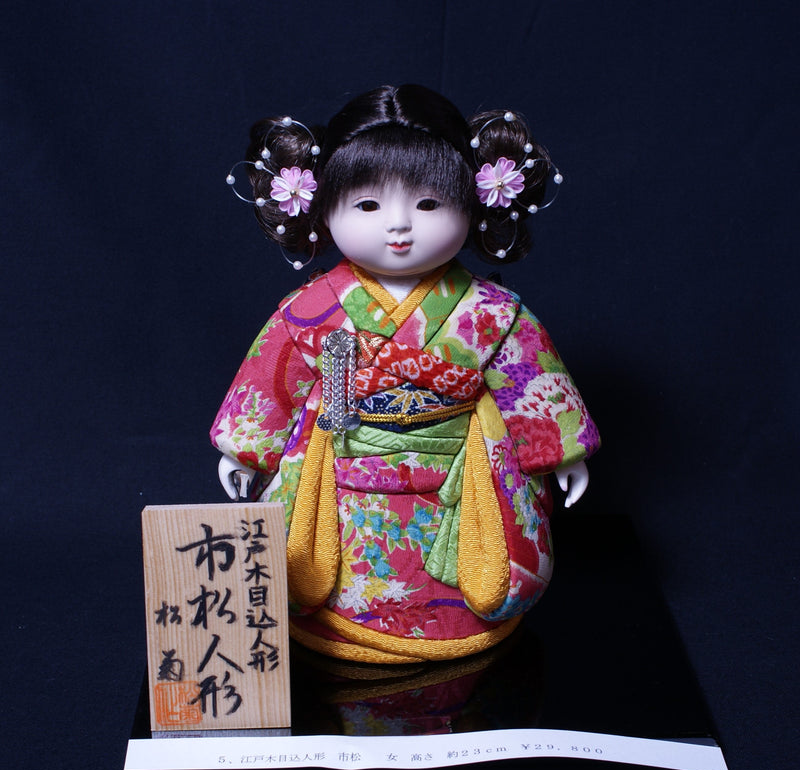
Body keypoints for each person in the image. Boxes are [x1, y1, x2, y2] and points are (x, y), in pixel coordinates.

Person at [212, 85, 599, 663]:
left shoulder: (492, 313)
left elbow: (531, 379)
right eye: (367, 206)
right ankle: (345, 621)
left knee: (464, 566)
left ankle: (453, 623)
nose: (399, 226)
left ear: (475, 204)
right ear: (322, 208)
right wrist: (245, 451)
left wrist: (561, 451)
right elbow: (272, 382)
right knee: (334, 563)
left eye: (429, 204)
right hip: (343, 472)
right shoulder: (312, 309)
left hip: (458, 475)